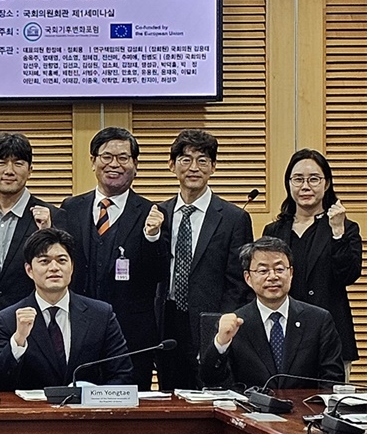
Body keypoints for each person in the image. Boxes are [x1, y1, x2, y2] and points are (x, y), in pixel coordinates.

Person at [58, 127, 167, 389]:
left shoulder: (153, 212)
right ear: (93, 161)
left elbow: (161, 274)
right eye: (106, 157)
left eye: (123, 158)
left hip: (132, 337)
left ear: (135, 164)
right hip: (78, 332)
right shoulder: (71, 208)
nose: (114, 164)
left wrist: (152, 237)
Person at [153, 129, 253, 391]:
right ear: (172, 165)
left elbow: (239, 284)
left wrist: (220, 327)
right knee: (170, 397)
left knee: (212, 397)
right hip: (168, 322)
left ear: (213, 167)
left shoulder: (233, 218)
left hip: (211, 323)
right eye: (186, 160)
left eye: (202, 160)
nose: (194, 168)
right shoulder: (159, 213)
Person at [0, 132, 57, 390]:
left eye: (18, 163)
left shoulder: (53, 216)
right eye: (2, 162)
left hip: (40, 335)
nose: (9, 170)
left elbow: (59, 276)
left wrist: (47, 231)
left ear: (30, 169)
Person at [0, 227, 134, 391]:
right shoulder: (7, 320)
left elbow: (123, 376)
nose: (54, 267)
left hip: (86, 406)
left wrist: (93, 398)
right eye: (44, 261)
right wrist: (19, 339)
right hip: (34, 407)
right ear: (29, 270)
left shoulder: (101, 315)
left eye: (62, 260)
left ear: (72, 267)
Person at [262, 149, 361, 381]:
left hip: (331, 335)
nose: (305, 186)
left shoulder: (346, 228)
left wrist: (338, 233)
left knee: (329, 403)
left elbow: (348, 275)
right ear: (289, 184)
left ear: (327, 184)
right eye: (298, 179)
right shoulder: (274, 230)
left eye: (314, 179)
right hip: (283, 337)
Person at [201, 237, 342, 389]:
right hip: (250, 404)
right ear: (248, 278)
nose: (273, 277)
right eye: (263, 271)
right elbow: (211, 380)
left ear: (291, 273)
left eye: (279, 269)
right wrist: (221, 343)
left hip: (306, 404)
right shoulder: (235, 324)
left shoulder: (318, 320)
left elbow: (333, 380)